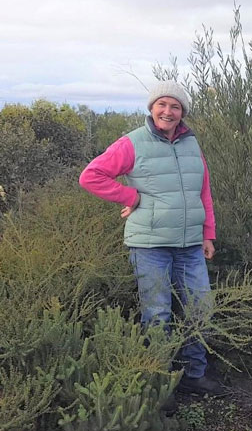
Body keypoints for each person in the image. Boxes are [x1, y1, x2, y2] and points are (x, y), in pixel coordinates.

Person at [79, 80, 224, 397]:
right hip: (150, 246)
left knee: (201, 310)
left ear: (182, 112)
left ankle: (194, 376)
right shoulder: (132, 142)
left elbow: (203, 192)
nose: (168, 111)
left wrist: (208, 234)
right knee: (157, 316)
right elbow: (91, 176)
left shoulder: (191, 144)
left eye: (175, 106)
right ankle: (161, 384)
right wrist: (130, 195)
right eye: (162, 105)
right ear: (152, 107)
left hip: (190, 246)